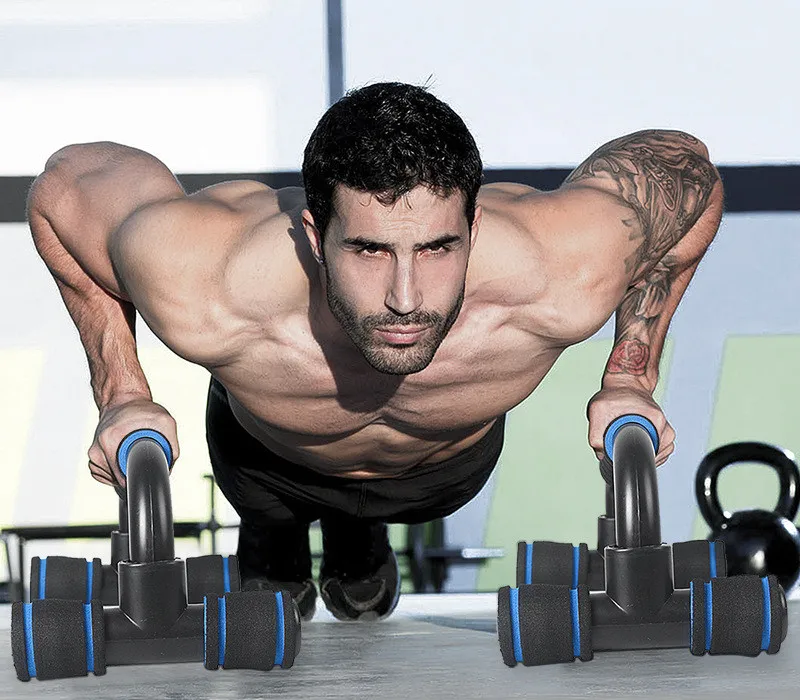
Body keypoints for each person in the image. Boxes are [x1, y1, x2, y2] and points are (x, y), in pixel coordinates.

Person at [27, 82, 722, 622]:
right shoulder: (206, 279)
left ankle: (359, 535)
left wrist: (631, 373)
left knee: (360, 544)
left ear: (474, 225)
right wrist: (122, 391)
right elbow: (63, 185)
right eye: (367, 249)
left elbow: (692, 175)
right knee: (272, 540)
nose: (405, 298)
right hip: (269, 461)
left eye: (439, 247)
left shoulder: (561, 268)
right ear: (314, 234)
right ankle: (275, 535)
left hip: (440, 475)